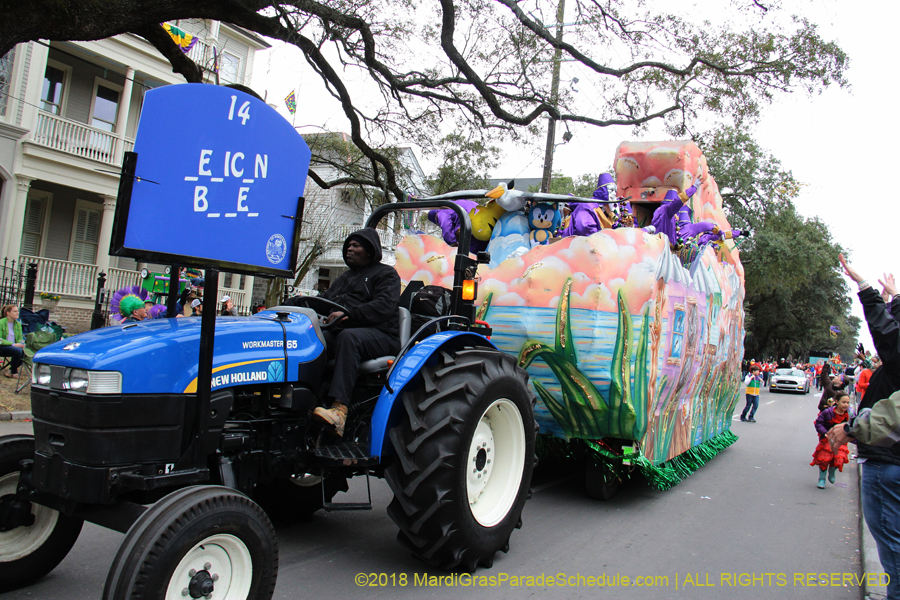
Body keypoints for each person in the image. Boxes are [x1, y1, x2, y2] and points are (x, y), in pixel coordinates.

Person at [827, 255, 900, 599]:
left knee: (893, 548)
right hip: (887, 460)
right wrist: (892, 299)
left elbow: (890, 338)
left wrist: (867, 290)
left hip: (888, 461)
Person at [310, 228, 401, 437]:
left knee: (348, 337)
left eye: (355, 245)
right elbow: (324, 302)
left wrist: (349, 314)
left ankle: (339, 411)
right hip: (348, 332)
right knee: (313, 339)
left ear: (369, 250)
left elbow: (383, 307)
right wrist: (293, 304)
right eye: (348, 246)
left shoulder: (386, 274)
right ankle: (308, 400)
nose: (349, 249)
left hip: (382, 334)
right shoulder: (344, 278)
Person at [811, 391, 853, 489]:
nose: (846, 405)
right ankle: (822, 478)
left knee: (839, 457)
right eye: (843, 402)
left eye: (848, 403)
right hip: (827, 439)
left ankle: (832, 470)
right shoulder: (828, 412)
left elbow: (854, 426)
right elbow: (818, 423)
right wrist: (824, 432)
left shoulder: (850, 414)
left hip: (841, 440)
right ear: (837, 402)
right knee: (824, 458)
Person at [0, 305, 25, 379]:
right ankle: (14, 372)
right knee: (17, 351)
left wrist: (21, 343)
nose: (17, 313)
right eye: (15, 311)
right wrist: (13, 344)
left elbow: (20, 337)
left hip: (14, 347)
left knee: (25, 352)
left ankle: (10, 370)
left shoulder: (18, 324)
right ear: (8, 313)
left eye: (17, 311)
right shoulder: (1, 323)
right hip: (2, 346)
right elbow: (0, 340)